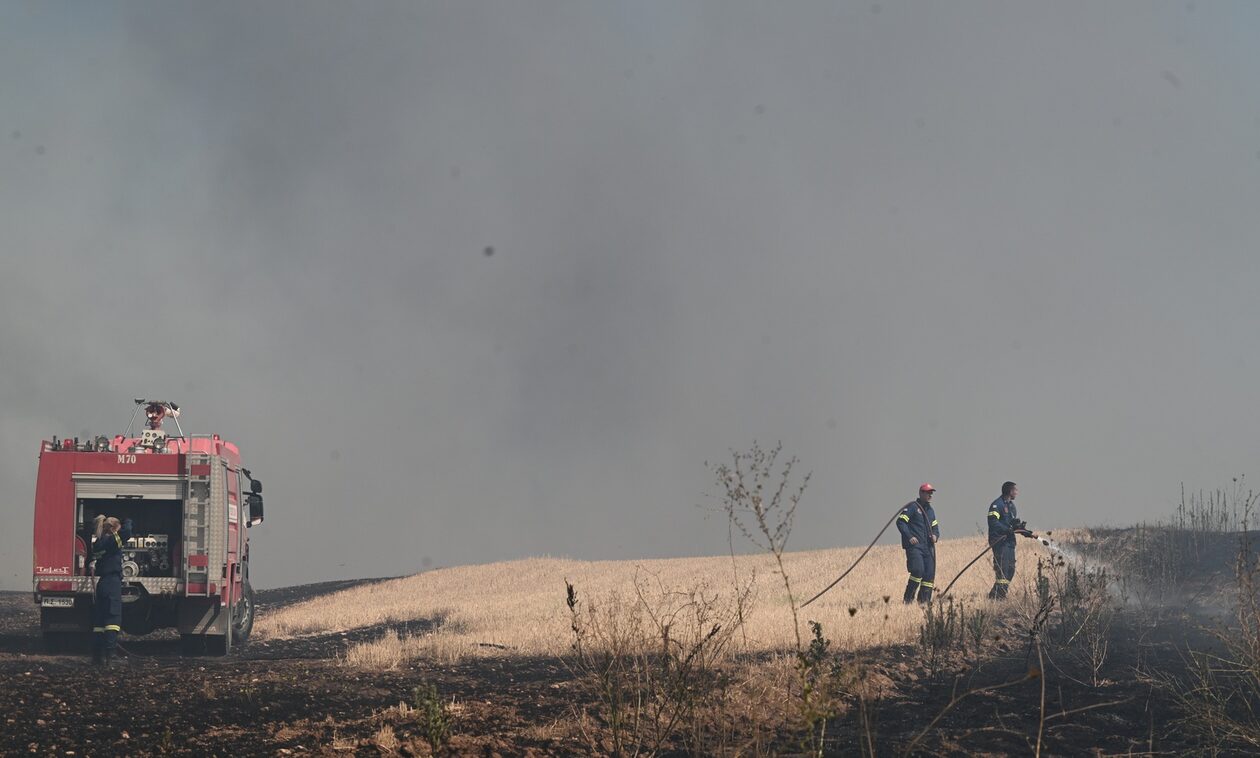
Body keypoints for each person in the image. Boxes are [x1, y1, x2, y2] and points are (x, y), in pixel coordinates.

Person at [90, 515, 133, 665]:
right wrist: (128, 519)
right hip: (111, 582)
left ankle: (97, 657)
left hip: (102, 583)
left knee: (100, 622)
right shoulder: (112, 541)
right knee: (113, 619)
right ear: (114, 529)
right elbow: (127, 533)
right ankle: (111, 657)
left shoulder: (98, 543)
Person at [896, 484, 940, 604]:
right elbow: (900, 522)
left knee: (929, 575)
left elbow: (935, 528)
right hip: (915, 548)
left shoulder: (931, 511)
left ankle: (924, 603)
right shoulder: (912, 507)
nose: (930, 495)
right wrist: (909, 537)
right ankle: (908, 600)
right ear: (921, 493)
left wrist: (935, 536)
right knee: (917, 571)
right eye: (927, 492)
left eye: (931, 493)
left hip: (928, 548)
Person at [987, 481, 1027, 600]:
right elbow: (993, 523)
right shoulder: (996, 505)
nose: (1017, 493)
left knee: (1010, 570)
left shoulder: (1011, 506)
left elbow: (1013, 525)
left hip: (1010, 543)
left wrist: (1025, 531)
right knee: (1003, 570)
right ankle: (999, 597)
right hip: (1000, 542)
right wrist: (1006, 529)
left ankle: (995, 595)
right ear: (1010, 491)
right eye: (1015, 490)